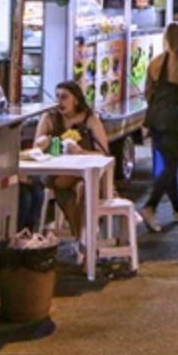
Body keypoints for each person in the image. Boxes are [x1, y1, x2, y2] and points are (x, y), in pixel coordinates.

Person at [34, 81, 110, 245]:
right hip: (57, 173)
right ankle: (85, 236)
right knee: (68, 184)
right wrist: (47, 143)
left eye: (64, 97)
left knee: (83, 186)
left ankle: (82, 236)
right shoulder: (50, 117)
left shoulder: (89, 118)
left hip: (84, 172)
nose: (60, 102)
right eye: (58, 97)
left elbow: (104, 152)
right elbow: (36, 147)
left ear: (76, 99)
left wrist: (82, 152)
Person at [140, 22, 178, 232]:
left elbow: (147, 92)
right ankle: (150, 206)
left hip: (155, 118)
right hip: (175, 120)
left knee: (166, 163)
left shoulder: (154, 63)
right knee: (172, 165)